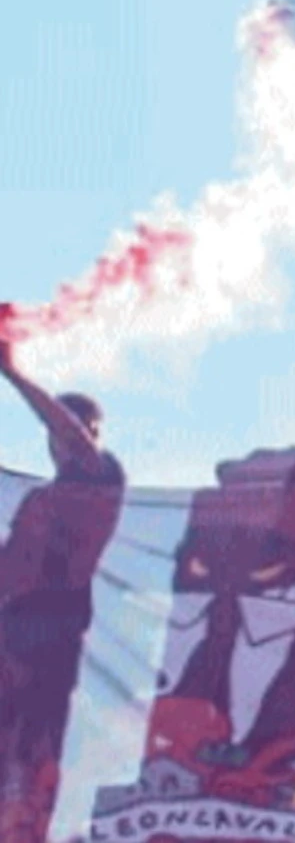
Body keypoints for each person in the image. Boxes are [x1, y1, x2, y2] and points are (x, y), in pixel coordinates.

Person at [0, 323, 126, 843]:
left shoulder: (103, 476)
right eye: (60, 428)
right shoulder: (37, 501)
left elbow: (73, 434)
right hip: (12, 626)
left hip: (53, 627)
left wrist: (13, 371)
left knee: (34, 750)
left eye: (81, 427)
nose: (70, 437)